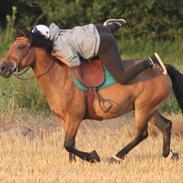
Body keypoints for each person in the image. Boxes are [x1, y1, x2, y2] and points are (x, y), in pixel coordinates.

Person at [30, 19, 167, 84]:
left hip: (103, 44)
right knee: (100, 34)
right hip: (97, 29)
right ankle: (112, 26)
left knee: (122, 78)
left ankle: (150, 61)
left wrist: (60, 58)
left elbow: (75, 62)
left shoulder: (58, 45)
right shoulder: (57, 31)